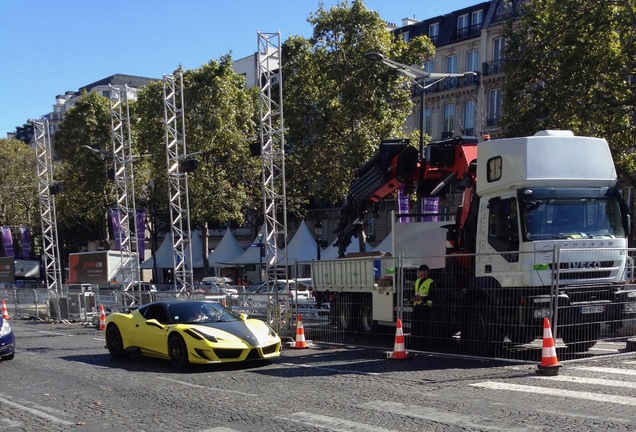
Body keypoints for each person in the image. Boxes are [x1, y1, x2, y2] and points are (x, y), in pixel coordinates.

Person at [410, 264, 436, 349]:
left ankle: (423, 346)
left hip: (425, 308)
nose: (418, 272)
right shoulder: (417, 281)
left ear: (425, 272)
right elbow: (415, 292)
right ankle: (414, 345)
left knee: (423, 328)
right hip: (417, 307)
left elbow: (432, 296)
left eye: (420, 271)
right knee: (415, 327)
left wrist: (421, 298)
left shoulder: (431, 282)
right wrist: (412, 299)